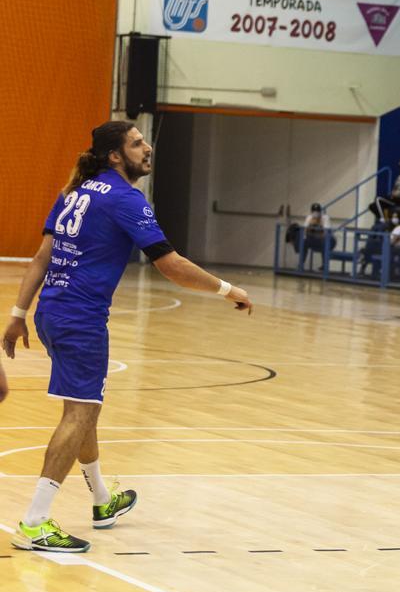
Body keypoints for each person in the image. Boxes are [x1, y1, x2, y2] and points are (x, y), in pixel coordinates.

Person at [1, 120, 253, 553]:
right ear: (115, 156)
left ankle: (102, 499)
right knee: (78, 415)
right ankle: (35, 521)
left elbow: (42, 257)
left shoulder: (73, 193)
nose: (147, 147)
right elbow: (170, 265)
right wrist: (228, 289)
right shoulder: (125, 199)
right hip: (81, 319)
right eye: (137, 143)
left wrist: (18, 314)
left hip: (53, 313)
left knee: (86, 409)